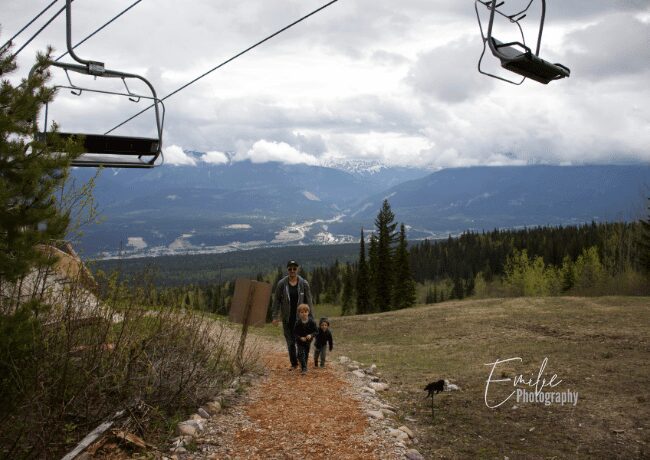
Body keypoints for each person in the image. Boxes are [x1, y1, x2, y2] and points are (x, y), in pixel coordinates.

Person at [272, 260, 314, 370]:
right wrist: (275, 316)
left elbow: (309, 301)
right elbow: (276, 301)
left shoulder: (304, 283)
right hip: (287, 319)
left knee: (301, 341)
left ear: (297, 269)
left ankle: (302, 363)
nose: (292, 271)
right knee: (290, 343)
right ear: (287, 270)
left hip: (301, 320)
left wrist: (311, 317)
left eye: (294, 268)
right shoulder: (281, 284)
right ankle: (294, 364)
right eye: (290, 269)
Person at [293, 304, 319, 374]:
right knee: (301, 353)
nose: (303, 314)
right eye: (301, 312)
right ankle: (304, 368)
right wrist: (300, 338)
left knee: (306, 353)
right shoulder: (298, 323)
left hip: (308, 341)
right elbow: (295, 333)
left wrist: (311, 335)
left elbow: (316, 331)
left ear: (308, 312)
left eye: (305, 312)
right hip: (300, 341)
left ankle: (304, 365)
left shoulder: (312, 322)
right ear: (299, 313)